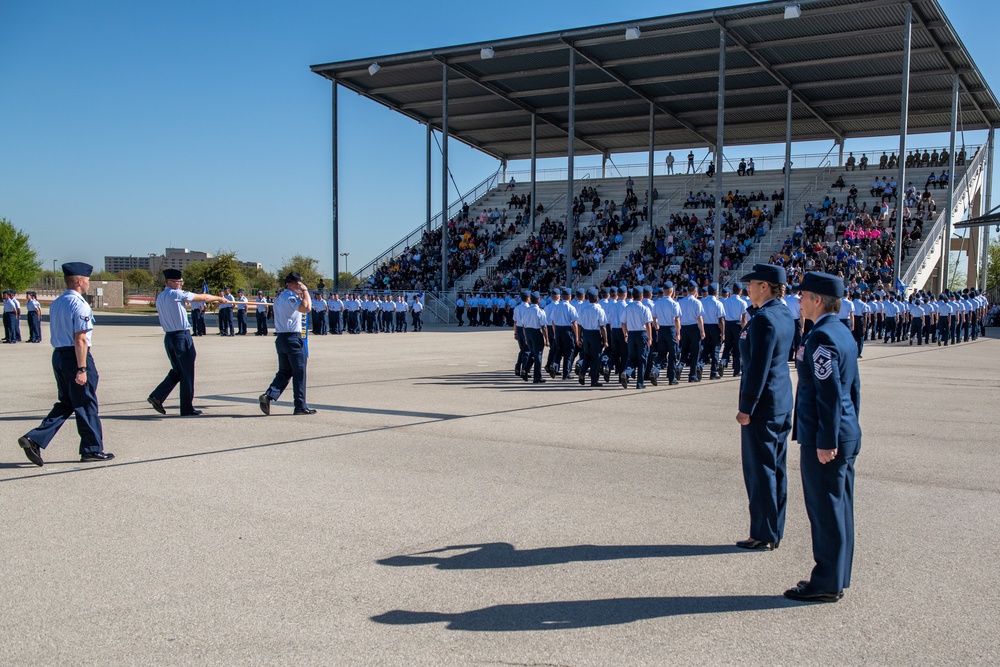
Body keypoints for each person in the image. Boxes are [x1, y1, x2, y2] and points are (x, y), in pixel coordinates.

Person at [785, 271, 862, 603]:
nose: (799, 302)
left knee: (825, 510)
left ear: (817, 299)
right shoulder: (841, 331)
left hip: (826, 438)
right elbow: (853, 389)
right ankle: (837, 576)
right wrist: (847, 430)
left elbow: (828, 393)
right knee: (840, 508)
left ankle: (826, 583)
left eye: (802, 296)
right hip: (844, 432)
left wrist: (827, 439)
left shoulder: (821, 338)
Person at [17, 262, 114, 465]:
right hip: (75, 356)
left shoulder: (58, 302)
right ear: (79, 281)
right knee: (86, 403)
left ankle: (34, 439)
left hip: (60, 355)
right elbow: (80, 338)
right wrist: (82, 368)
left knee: (67, 402)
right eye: (87, 281)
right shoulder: (79, 304)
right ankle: (91, 449)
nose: (88, 284)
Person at [735, 264, 794, 552]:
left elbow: (757, 368)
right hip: (780, 401)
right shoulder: (782, 313)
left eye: (752, 284)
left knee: (760, 471)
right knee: (776, 469)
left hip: (763, 406)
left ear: (765, 287)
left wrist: (746, 407)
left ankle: (762, 533)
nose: (747, 288)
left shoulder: (764, 320)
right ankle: (773, 528)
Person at [147, 269, 229, 417]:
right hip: (181, 337)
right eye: (179, 282)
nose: (180, 284)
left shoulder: (161, 296)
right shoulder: (176, 294)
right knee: (187, 373)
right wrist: (219, 298)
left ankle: (157, 396)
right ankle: (186, 408)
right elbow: (201, 297)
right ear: (170, 282)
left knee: (178, 371)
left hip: (170, 337)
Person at [259, 272, 316, 416]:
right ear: (289, 284)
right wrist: (305, 291)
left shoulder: (279, 299)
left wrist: (302, 293)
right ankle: (300, 406)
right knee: (299, 372)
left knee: (285, 371)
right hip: (292, 338)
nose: (299, 287)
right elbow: (306, 308)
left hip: (281, 338)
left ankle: (269, 395)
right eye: (297, 284)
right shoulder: (291, 298)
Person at [620, 287, 654, 389]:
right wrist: (650, 338)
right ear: (642, 296)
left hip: (631, 334)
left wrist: (625, 334)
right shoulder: (644, 308)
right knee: (642, 359)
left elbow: (623, 323)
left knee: (632, 358)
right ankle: (640, 383)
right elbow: (648, 324)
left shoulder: (627, 308)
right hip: (642, 334)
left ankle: (627, 372)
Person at [576, 287, 608, 387]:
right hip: (595, 334)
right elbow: (603, 326)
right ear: (597, 298)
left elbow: (579, 325)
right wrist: (606, 340)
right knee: (596, 358)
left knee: (587, 356)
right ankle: (594, 380)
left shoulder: (583, 309)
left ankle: (582, 372)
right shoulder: (599, 310)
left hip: (585, 334)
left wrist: (578, 338)